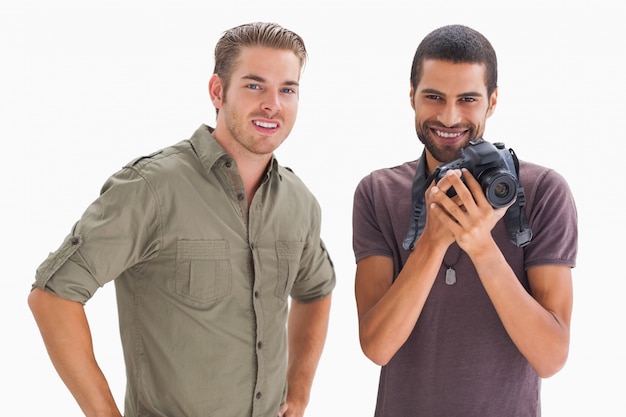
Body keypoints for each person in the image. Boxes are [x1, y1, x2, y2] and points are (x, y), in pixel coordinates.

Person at [28, 22, 335, 417]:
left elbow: (316, 289)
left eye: (287, 89)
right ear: (218, 92)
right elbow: (53, 296)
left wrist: (299, 392)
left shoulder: (299, 201)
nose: (272, 104)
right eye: (254, 85)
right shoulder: (151, 188)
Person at [352, 24, 577, 416]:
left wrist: (481, 246)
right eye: (434, 96)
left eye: (468, 99)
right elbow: (377, 346)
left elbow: (551, 357)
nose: (449, 116)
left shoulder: (542, 192)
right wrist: (434, 240)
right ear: (412, 97)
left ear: (492, 101)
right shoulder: (378, 192)